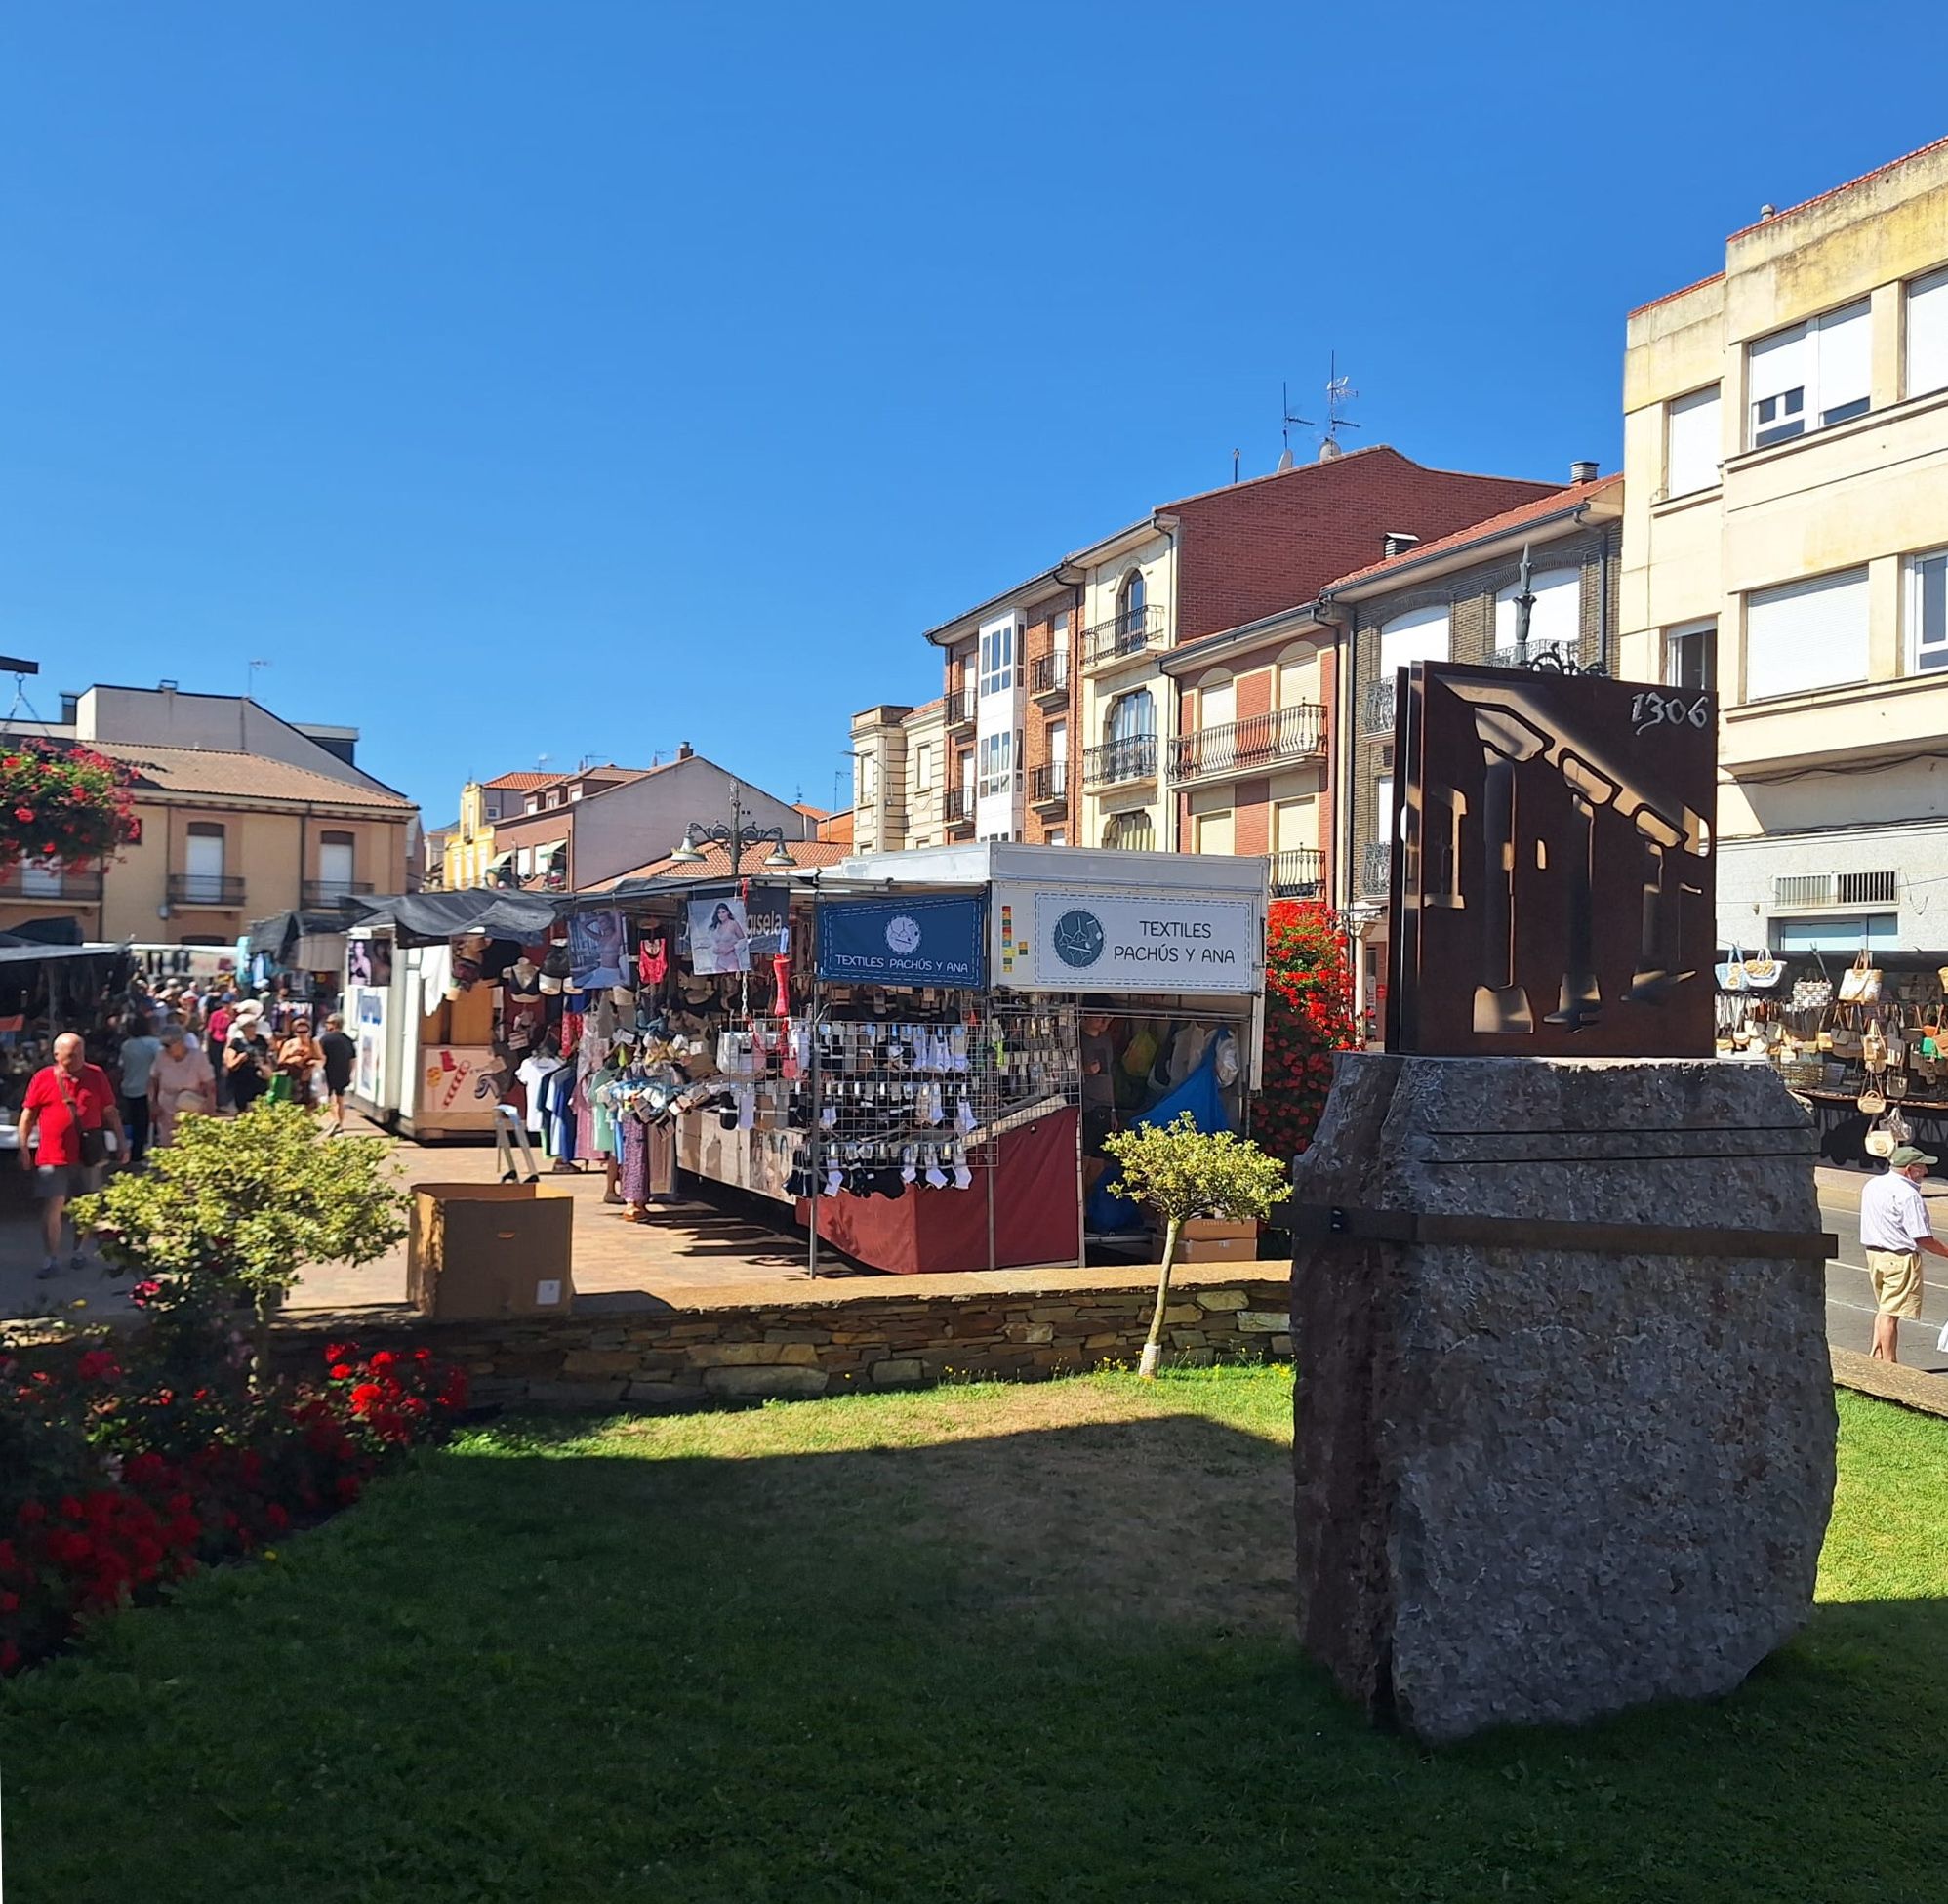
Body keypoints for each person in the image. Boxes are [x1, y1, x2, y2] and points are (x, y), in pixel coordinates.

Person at [18, 1032, 125, 1279]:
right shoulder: (43, 1077)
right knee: (53, 1204)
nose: (77, 1059)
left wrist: (121, 1141)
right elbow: (28, 1115)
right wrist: (24, 1147)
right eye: (71, 1055)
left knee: (85, 1205)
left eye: (80, 1054)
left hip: (88, 1153)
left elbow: (110, 1111)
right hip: (52, 1153)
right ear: (57, 1055)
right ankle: (51, 1257)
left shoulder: (96, 1075)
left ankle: (79, 1251)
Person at [1857, 1143, 1948, 1363]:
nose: (1925, 1171)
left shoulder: (1873, 1184)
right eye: (1922, 1167)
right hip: (1899, 1258)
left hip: (1875, 1255)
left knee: (1884, 1308)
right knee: (1891, 1314)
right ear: (1909, 1169)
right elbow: (1923, 1238)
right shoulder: (1909, 1195)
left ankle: (1877, 1356)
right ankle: (1889, 1364)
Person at [149, 1023, 217, 1147]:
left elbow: (209, 1084)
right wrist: (153, 1103)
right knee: (168, 1143)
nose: (166, 1048)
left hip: (191, 1104)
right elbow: (154, 1080)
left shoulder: (198, 1056)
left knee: (191, 1143)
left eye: (168, 1045)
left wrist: (210, 1105)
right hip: (167, 1106)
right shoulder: (161, 1056)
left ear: (180, 1042)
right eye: (164, 1045)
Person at [116, 1010, 163, 1165]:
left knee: (136, 1123)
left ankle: (136, 1153)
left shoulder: (126, 1045)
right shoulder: (153, 1044)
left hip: (129, 1088)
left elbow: (121, 1065)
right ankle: (146, 1153)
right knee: (148, 1123)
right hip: (148, 1089)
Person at [224, 1003, 273, 1114]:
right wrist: (240, 1059)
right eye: (250, 1025)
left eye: (254, 1025)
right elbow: (230, 1064)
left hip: (259, 1078)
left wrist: (269, 1070)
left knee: (260, 1106)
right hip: (242, 1079)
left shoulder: (261, 1040)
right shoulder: (236, 1043)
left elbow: (267, 1056)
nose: (253, 1028)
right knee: (242, 1107)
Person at [318, 1012, 357, 1133]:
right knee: (340, 1099)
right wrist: (350, 1073)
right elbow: (352, 1059)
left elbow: (321, 1057)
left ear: (334, 1024)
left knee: (330, 1099)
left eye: (328, 1022)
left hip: (328, 1072)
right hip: (343, 1072)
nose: (326, 1025)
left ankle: (332, 1122)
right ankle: (340, 1123)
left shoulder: (325, 1039)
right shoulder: (348, 1040)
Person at [276, 1016, 324, 1107]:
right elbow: (280, 1062)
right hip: (292, 1076)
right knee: (292, 1102)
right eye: (299, 1032)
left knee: (309, 1103)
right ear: (294, 1032)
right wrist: (291, 1055)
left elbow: (321, 1059)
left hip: (308, 1077)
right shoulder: (289, 1044)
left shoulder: (313, 1043)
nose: (302, 1034)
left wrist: (312, 1063)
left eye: (305, 1031)